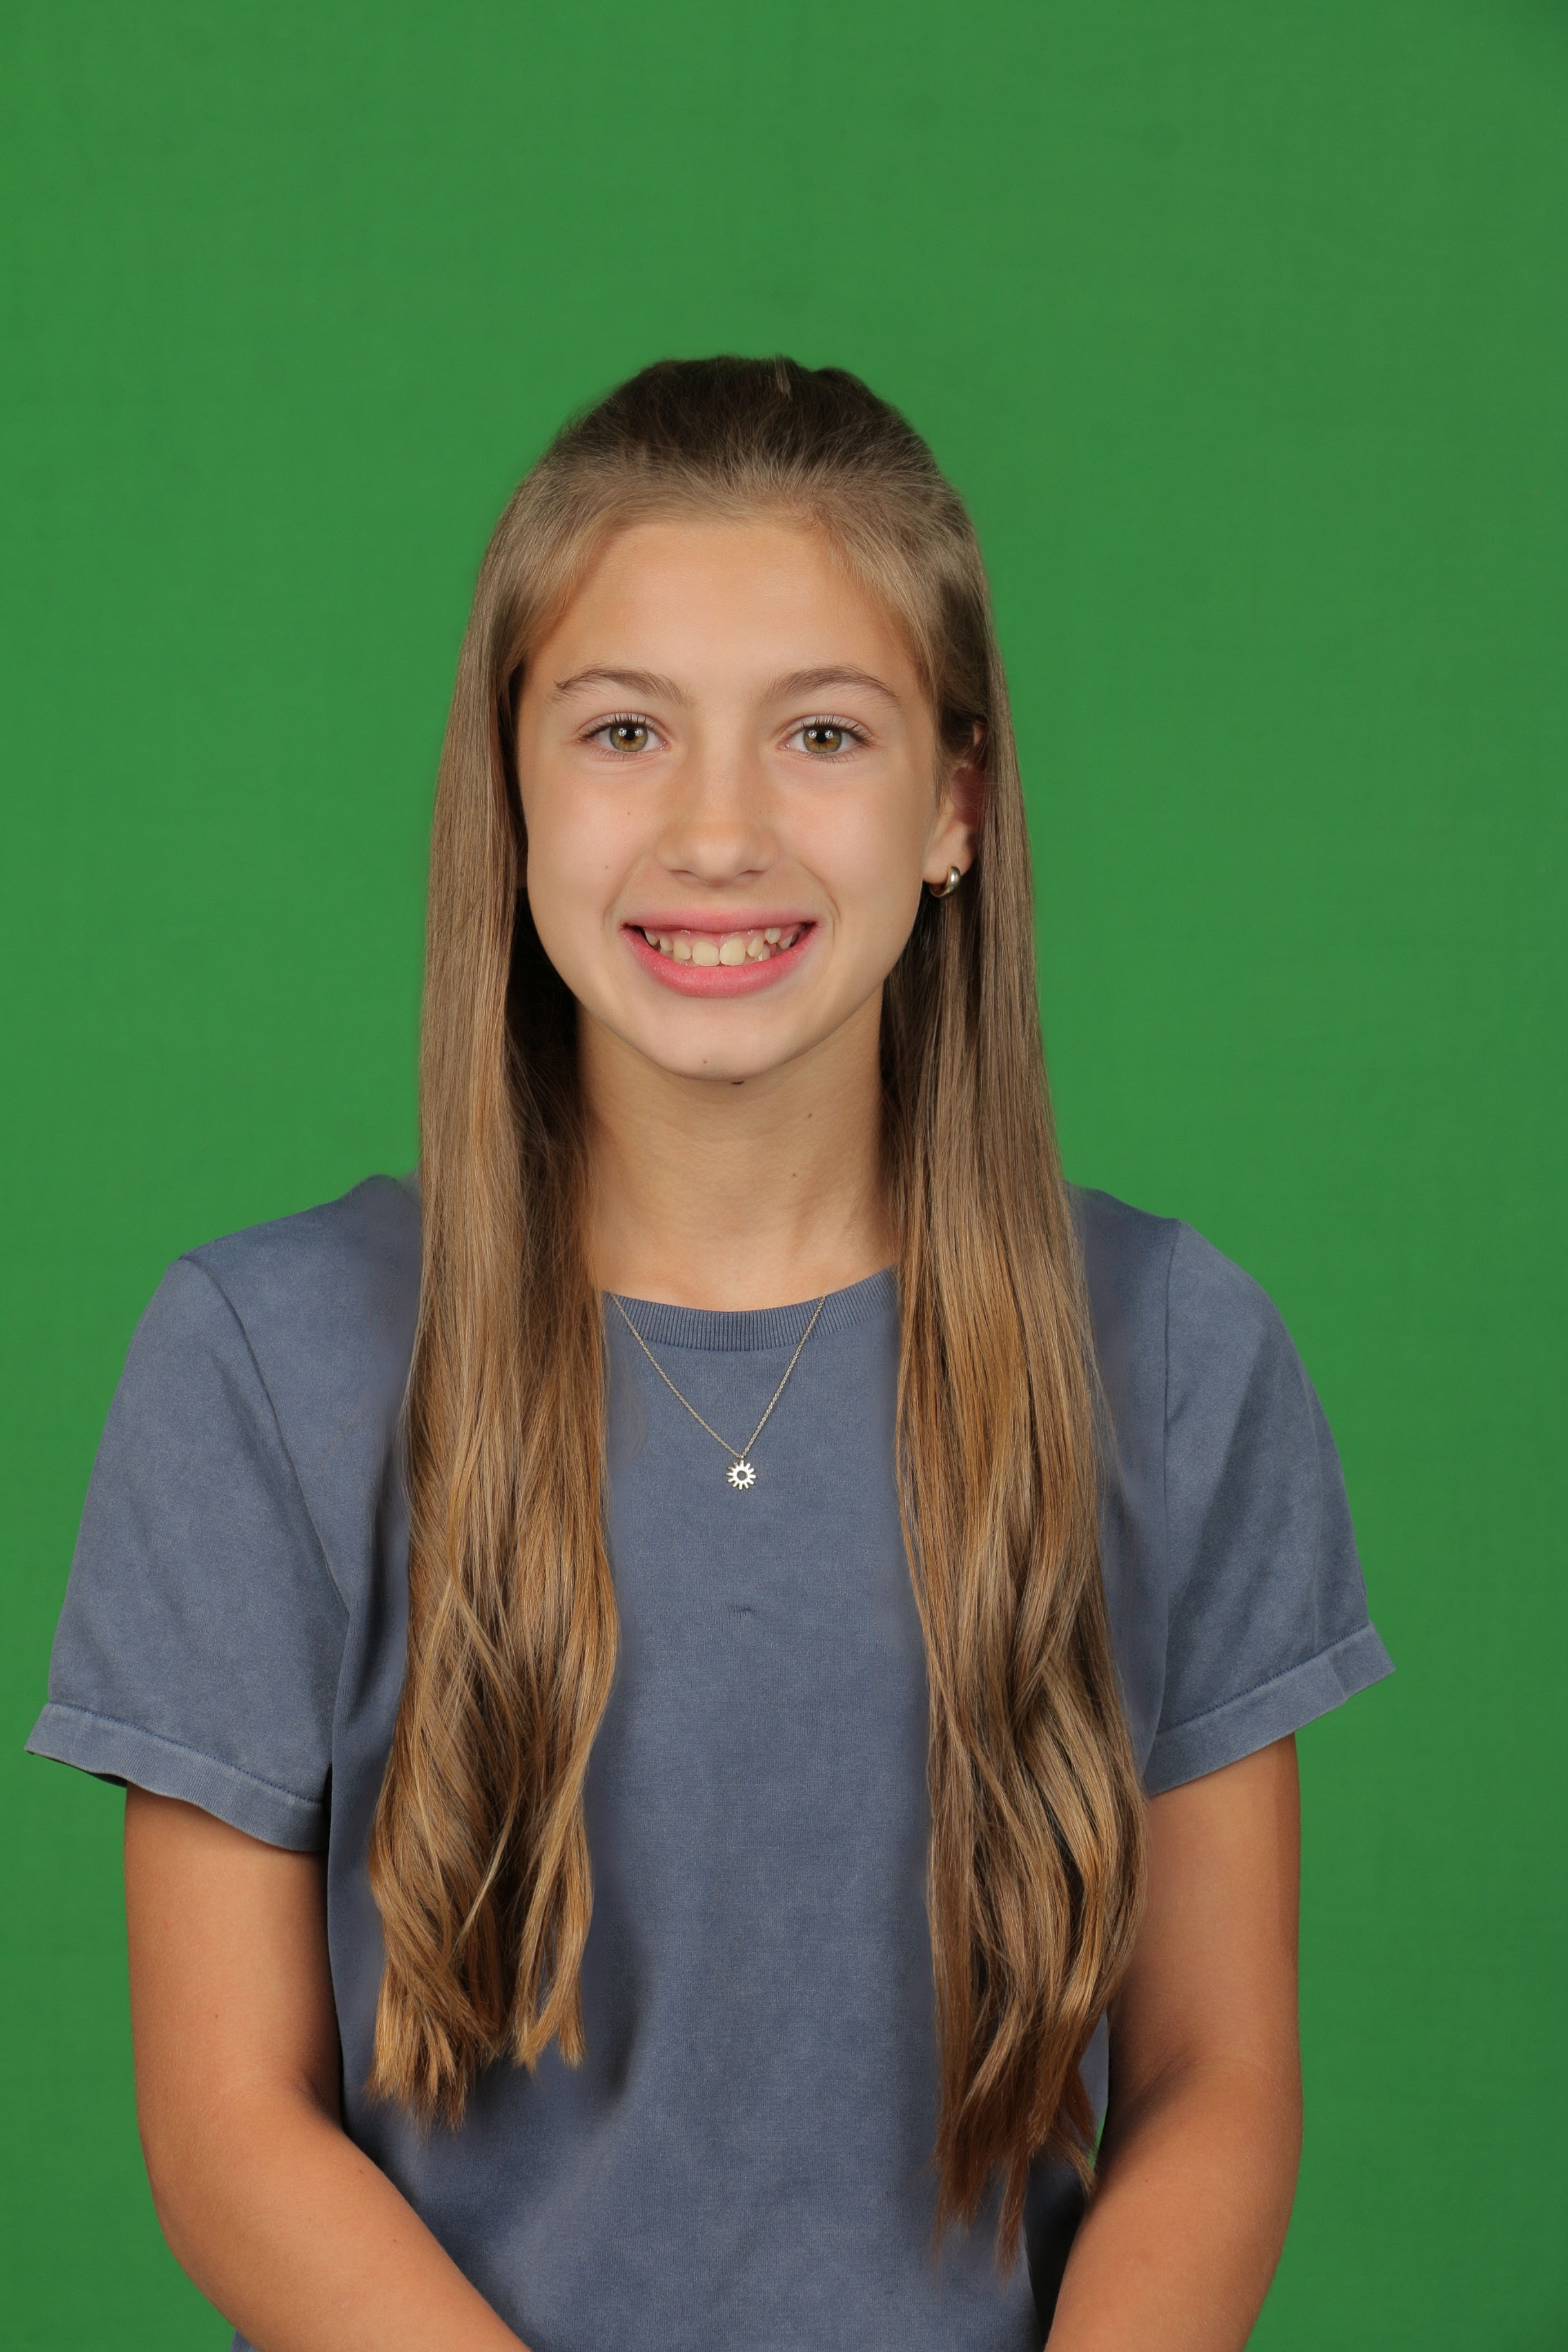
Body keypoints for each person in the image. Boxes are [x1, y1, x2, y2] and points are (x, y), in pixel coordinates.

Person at [28, 356, 1392, 2352]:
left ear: (956, 806)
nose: (720, 830)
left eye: (822, 732)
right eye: (624, 730)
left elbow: (1216, 2083)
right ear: (511, 792)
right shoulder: (260, 1364)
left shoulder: (1176, 1357)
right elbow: (231, 2130)